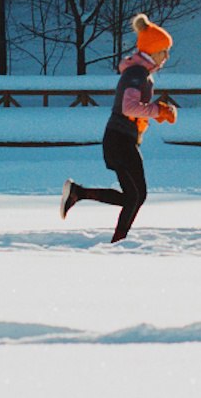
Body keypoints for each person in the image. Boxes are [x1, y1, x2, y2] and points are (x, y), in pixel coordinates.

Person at [60, 13, 179, 243]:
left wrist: (158, 112)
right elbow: (128, 107)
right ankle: (118, 243)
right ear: (153, 50)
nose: (166, 56)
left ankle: (79, 194)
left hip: (122, 139)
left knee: (135, 196)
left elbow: (134, 109)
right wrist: (158, 110)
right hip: (119, 139)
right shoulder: (137, 73)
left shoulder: (139, 72)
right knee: (136, 196)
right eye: (164, 50)